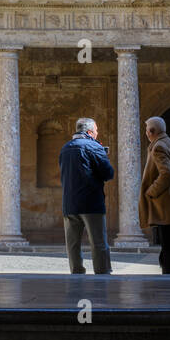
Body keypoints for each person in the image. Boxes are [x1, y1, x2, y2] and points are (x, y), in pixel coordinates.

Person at [59, 117, 115, 275]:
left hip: (69, 204)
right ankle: (102, 272)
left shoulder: (65, 148)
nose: (97, 133)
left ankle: (77, 272)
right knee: (98, 242)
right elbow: (108, 173)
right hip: (91, 203)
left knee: (72, 244)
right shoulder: (94, 147)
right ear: (90, 132)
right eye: (96, 131)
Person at [139, 116, 170, 275]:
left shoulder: (159, 146)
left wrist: (151, 191)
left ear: (152, 131)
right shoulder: (169, 143)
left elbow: (167, 174)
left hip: (166, 204)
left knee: (169, 245)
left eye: (146, 130)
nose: (145, 133)